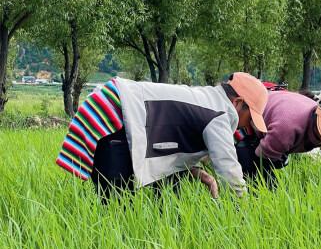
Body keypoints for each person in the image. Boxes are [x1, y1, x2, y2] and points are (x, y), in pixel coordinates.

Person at [56, 72, 268, 201]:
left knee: (123, 208)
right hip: (115, 112)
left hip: (114, 105)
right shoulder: (220, 112)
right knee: (116, 207)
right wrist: (244, 211)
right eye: (250, 118)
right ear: (238, 103)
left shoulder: (208, 100)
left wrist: (197, 171)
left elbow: (173, 138)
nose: (246, 125)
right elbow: (229, 170)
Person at [235, 84, 321, 197]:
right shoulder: (287, 127)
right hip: (249, 120)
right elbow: (262, 157)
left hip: (280, 117)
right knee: (261, 183)